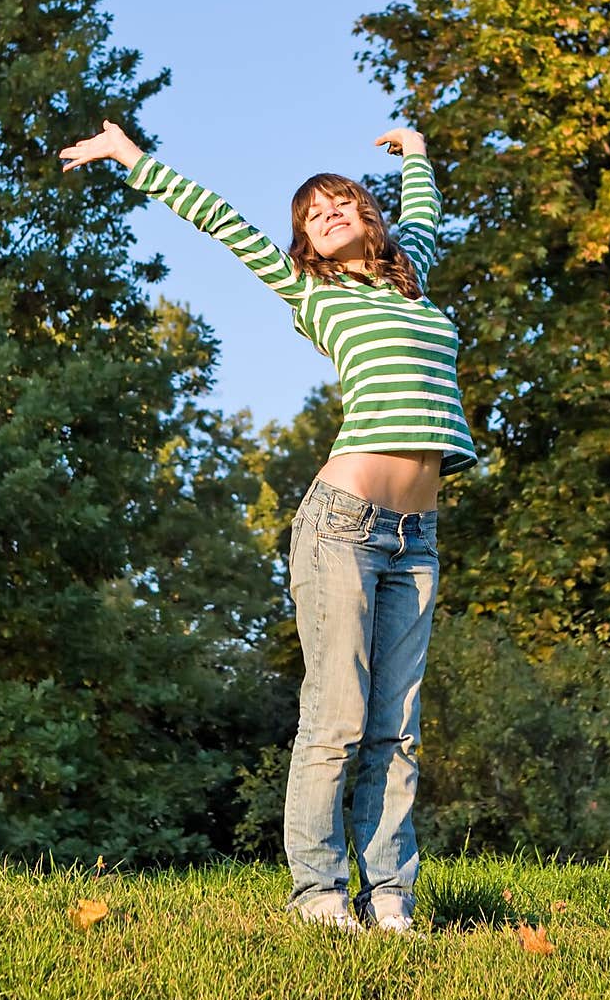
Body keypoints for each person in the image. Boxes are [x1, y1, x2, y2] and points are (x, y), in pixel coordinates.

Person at [59, 119, 477, 934]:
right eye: (311, 211)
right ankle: (320, 895)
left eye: (343, 200)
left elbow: (423, 214)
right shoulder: (312, 291)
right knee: (339, 718)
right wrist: (132, 158)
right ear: (305, 243)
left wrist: (419, 153)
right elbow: (222, 222)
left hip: (415, 537)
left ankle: (389, 897)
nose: (327, 211)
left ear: (370, 217)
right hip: (343, 525)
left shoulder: (410, 277)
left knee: (399, 728)